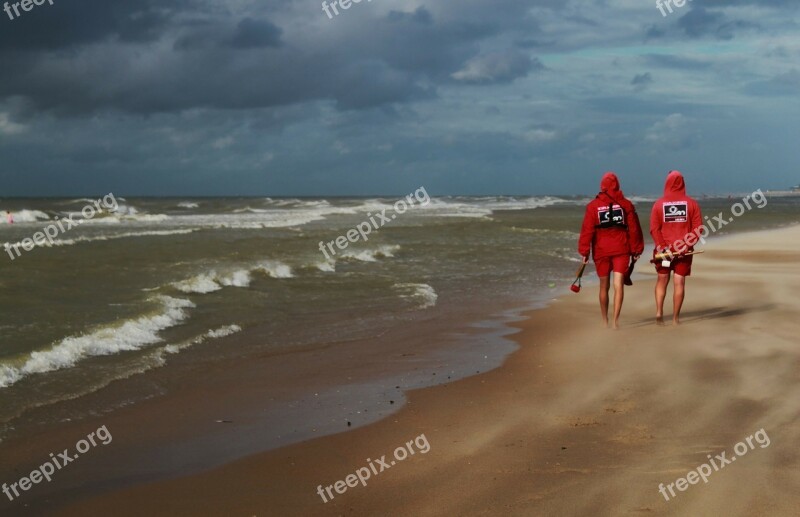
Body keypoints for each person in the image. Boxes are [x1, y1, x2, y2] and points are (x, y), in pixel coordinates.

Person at [578, 172, 644, 329]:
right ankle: (615, 321)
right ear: (617, 185)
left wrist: (584, 251)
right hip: (621, 249)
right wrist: (636, 249)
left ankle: (604, 321)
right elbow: (634, 229)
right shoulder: (626, 205)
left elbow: (587, 231)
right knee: (618, 285)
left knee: (603, 286)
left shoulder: (593, 206)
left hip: (601, 251)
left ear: (602, 186)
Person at [650, 170, 703, 326]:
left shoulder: (659, 204)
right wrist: (686, 245)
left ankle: (659, 311)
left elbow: (654, 228)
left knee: (662, 279)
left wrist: (662, 247)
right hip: (683, 252)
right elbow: (698, 228)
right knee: (679, 282)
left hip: (664, 253)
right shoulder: (692, 203)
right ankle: (675, 319)